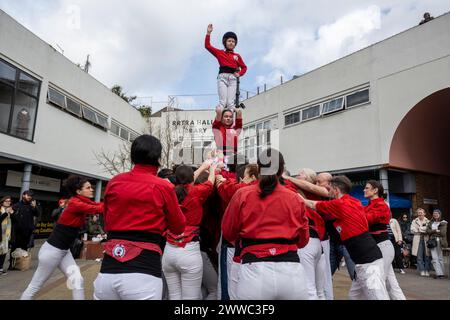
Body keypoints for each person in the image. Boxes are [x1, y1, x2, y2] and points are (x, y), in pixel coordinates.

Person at [94, 134, 186, 300]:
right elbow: (178, 226)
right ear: (157, 157)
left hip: (108, 269)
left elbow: (107, 220)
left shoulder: (115, 182)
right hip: (144, 271)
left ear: (132, 155)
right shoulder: (163, 186)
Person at [222, 148, 310, 300]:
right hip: (291, 270)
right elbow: (303, 239)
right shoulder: (294, 198)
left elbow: (228, 231)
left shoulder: (242, 194)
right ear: (282, 169)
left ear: (259, 168)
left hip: (254, 270)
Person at [303, 176, 389, 300]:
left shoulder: (339, 204)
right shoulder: (354, 201)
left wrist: (294, 196)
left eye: (330, 189)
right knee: (353, 296)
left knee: (378, 296)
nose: (328, 192)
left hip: (369, 263)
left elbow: (311, 204)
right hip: (363, 262)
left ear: (336, 190)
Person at [21, 176, 103, 300]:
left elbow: (97, 205)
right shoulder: (75, 203)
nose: (92, 190)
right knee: (35, 286)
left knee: (77, 281)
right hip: (52, 252)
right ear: (78, 191)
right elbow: (99, 208)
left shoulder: (81, 200)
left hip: (64, 251)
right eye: (88, 187)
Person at [162, 161, 217, 300]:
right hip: (189, 250)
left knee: (174, 297)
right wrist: (212, 168)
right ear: (192, 179)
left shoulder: (170, 192)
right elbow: (210, 182)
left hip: (169, 250)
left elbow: (186, 181)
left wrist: (203, 166)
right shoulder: (196, 192)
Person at [363, 180, 405, 300]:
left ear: (375, 190)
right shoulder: (369, 206)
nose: (364, 190)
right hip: (378, 247)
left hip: (383, 247)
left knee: (377, 282)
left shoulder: (382, 205)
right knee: (391, 283)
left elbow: (367, 219)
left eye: (367, 188)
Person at [205, 23, 247, 110]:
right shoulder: (220, 53)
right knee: (222, 102)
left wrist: (240, 74)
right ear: (225, 42)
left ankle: (230, 122)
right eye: (229, 41)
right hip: (222, 77)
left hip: (232, 78)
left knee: (230, 104)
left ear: (235, 44)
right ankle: (218, 120)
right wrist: (208, 33)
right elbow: (207, 46)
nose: (231, 43)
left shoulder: (237, 56)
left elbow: (244, 67)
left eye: (233, 41)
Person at [10, 190, 40, 260]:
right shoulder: (16, 205)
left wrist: (35, 207)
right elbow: (12, 217)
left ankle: (22, 264)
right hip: (17, 232)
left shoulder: (31, 206)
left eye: (31, 196)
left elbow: (37, 214)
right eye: (28, 195)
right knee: (14, 248)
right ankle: (12, 264)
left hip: (27, 232)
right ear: (23, 195)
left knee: (24, 248)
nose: (30, 197)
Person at [426, 209, 447, 279]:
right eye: (434, 213)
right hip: (432, 241)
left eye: (437, 213)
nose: (435, 214)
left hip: (440, 241)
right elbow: (428, 231)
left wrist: (433, 232)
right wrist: (435, 230)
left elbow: (443, 233)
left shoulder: (443, 222)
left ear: (440, 214)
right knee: (434, 258)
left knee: (440, 257)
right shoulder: (430, 222)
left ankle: (442, 273)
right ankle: (439, 274)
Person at [411, 208, 431, 276]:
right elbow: (412, 230)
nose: (420, 214)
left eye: (421, 212)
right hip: (418, 239)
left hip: (426, 239)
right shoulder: (414, 221)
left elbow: (428, 230)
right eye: (418, 213)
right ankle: (422, 270)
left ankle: (427, 270)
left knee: (427, 256)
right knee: (419, 256)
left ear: (424, 213)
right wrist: (422, 230)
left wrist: (419, 229)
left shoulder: (428, 221)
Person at [0, 196, 14, 275]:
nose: (8, 202)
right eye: (6, 201)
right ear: (2, 202)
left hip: (6, 235)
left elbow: (15, 221)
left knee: (4, 252)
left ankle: (1, 268)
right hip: (0, 234)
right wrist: (6, 213)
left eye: (9, 201)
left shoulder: (10, 210)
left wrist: (12, 214)